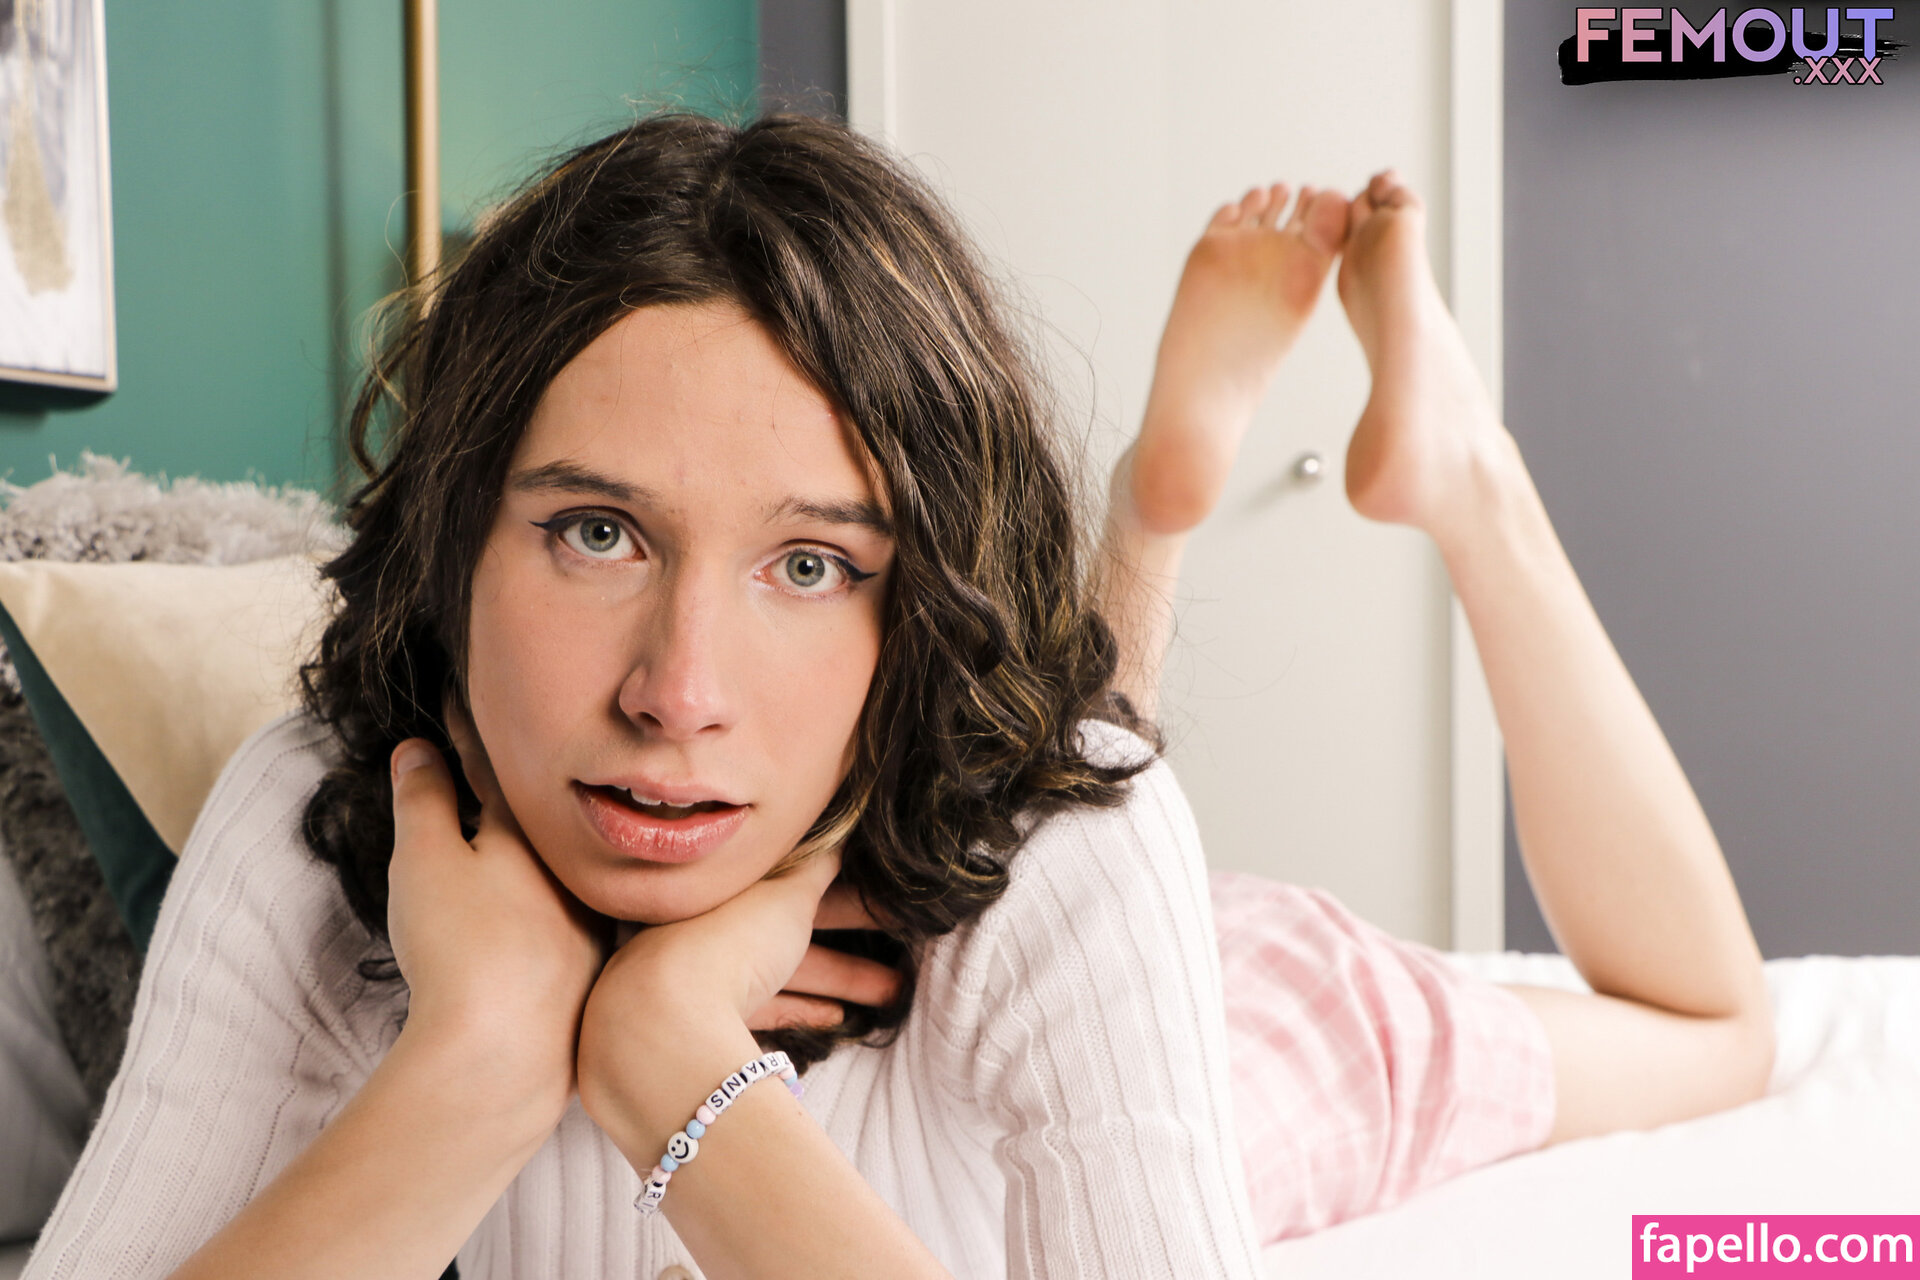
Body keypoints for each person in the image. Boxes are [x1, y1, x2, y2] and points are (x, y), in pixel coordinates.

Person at [21, 114, 1771, 1280]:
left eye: (810, 564)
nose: (676, 695)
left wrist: (670, 1065)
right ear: (453, 542)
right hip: (978, 834)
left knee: (1718, 1035)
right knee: (1079, 749)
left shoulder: (1078, 860)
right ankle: (1155, 504)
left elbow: (1074, 834)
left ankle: (1462, 479)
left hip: (1193, 1011)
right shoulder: (327, 810)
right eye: (596, 533)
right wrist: (477, 1062)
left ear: (908, 600)